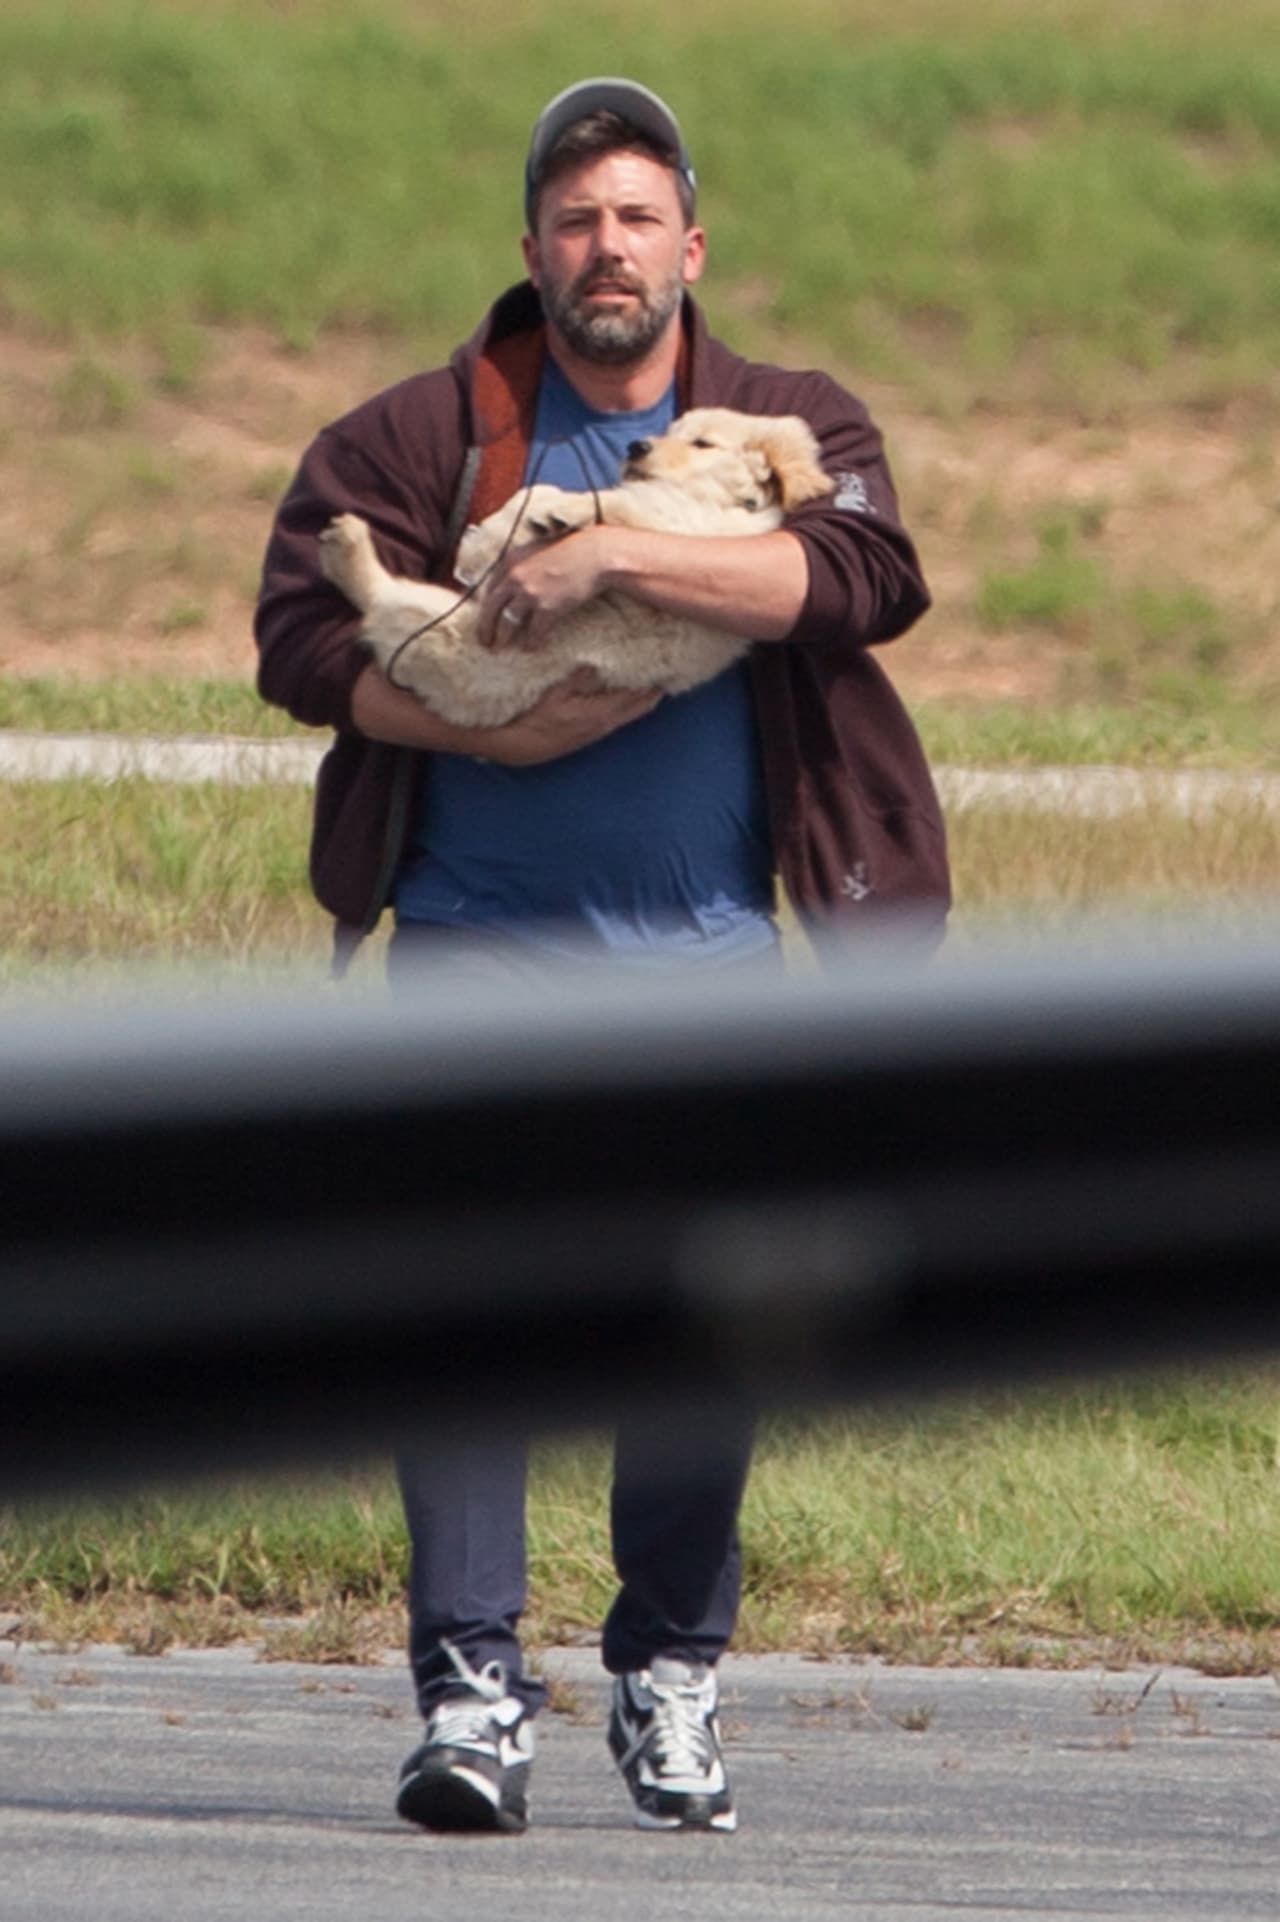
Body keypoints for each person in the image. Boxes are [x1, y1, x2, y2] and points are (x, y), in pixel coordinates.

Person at [255, 77, 949, 1838]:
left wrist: (619, 553)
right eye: (575, 221)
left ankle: (668, 1669)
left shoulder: (791, 416)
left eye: (638, 217)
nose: (607, 247)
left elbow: (861, 573)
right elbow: (291, 625)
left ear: (691, 247)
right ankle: (474, 1691)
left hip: (710, 958)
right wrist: (478, 736)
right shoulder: (427, 435)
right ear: (532, 253)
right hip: (475, 949)